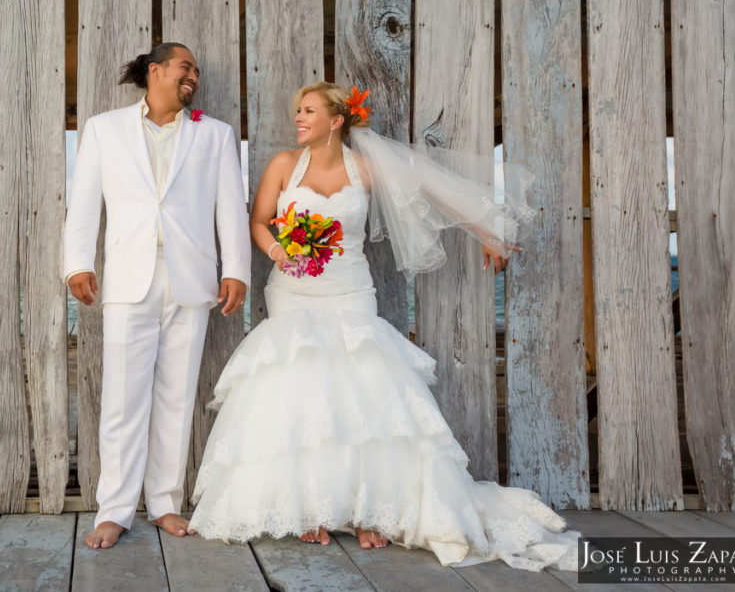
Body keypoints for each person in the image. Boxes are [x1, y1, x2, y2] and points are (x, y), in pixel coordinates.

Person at [188, 82, 578, 571]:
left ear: (336, 120)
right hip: (292, 290)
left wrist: (485, 231)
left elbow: (434, 189)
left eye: (308, 111)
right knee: (303, 394)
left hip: (351, 290)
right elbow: (259, 221)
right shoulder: (286, 165)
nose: (299, 119)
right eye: (297, 112)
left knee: (363, 395)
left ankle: (365, 508)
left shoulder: (365, 168)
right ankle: (313, 507)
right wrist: (277, 250)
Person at [63, 42, 251, 549]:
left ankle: (165, 503)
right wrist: (77, 262)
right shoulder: (104, 128)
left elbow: (231, 206)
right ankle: (115, 510)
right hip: (127, 278)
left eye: (196, 70)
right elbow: (84, 200)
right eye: (185, 67)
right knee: (123, 400)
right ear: (156, 71)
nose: (193, 76)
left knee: (177, 396)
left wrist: (235, 269)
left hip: (192, 280)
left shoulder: (214, 135)